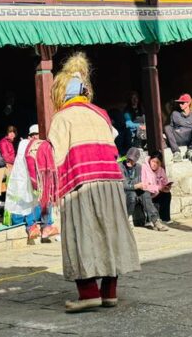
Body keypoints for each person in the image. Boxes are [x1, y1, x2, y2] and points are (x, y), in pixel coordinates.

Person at [48, 52, 139, 312]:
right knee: (110, 233)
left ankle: (88, 293)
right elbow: (112, 144)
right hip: (110, 182)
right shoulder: (101, 114)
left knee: (83, 234)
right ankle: (109, 292)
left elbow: (55, 156)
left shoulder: (62, 118)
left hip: (81, 183)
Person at [24, 124, 60, 243]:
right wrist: (34, 182)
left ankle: (46, 226)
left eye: (38, 135)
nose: (36, 138)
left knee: (46, 197)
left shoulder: (45, 146)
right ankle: (31, 226)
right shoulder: (26, 147)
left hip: (42, 178)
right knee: (30, 199)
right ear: (30, 137)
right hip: (29, 180)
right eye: (34, 135)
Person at [120, 147, 168, 231]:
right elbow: (123, 185)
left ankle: (155, 221)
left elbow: (139, 181)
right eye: (128, 159)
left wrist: (143, 185)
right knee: (132, 195)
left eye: (132, 160)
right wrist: (136, 186)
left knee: (145, 193)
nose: (129, 161)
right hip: (124, 192)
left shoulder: (138, 167)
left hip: (135, 189)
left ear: (136, 160)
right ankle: (126, 219)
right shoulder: (120, 166)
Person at [163, 93, 192, 162]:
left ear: (188, 103)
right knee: (167, 127)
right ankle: (176, 153)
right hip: (178, 137)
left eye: (182, 103)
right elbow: (171, 128)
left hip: (189, 138)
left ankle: (191, 150)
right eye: (179, 103)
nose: (180, 104)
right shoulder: (175, 114)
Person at [142, 155, 172, 224]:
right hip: (147, 193)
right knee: (146, 194)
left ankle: (165, 218)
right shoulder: (144, 168)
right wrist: (158, 188)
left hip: (157, 193)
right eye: (153, 161)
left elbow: (164, 182)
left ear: (160, 163)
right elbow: (144, 185)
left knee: (167, 194)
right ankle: (149, 219)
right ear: (150, 160)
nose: (154, 164)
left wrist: (166, 187)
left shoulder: (161, 170)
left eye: (157, 162)